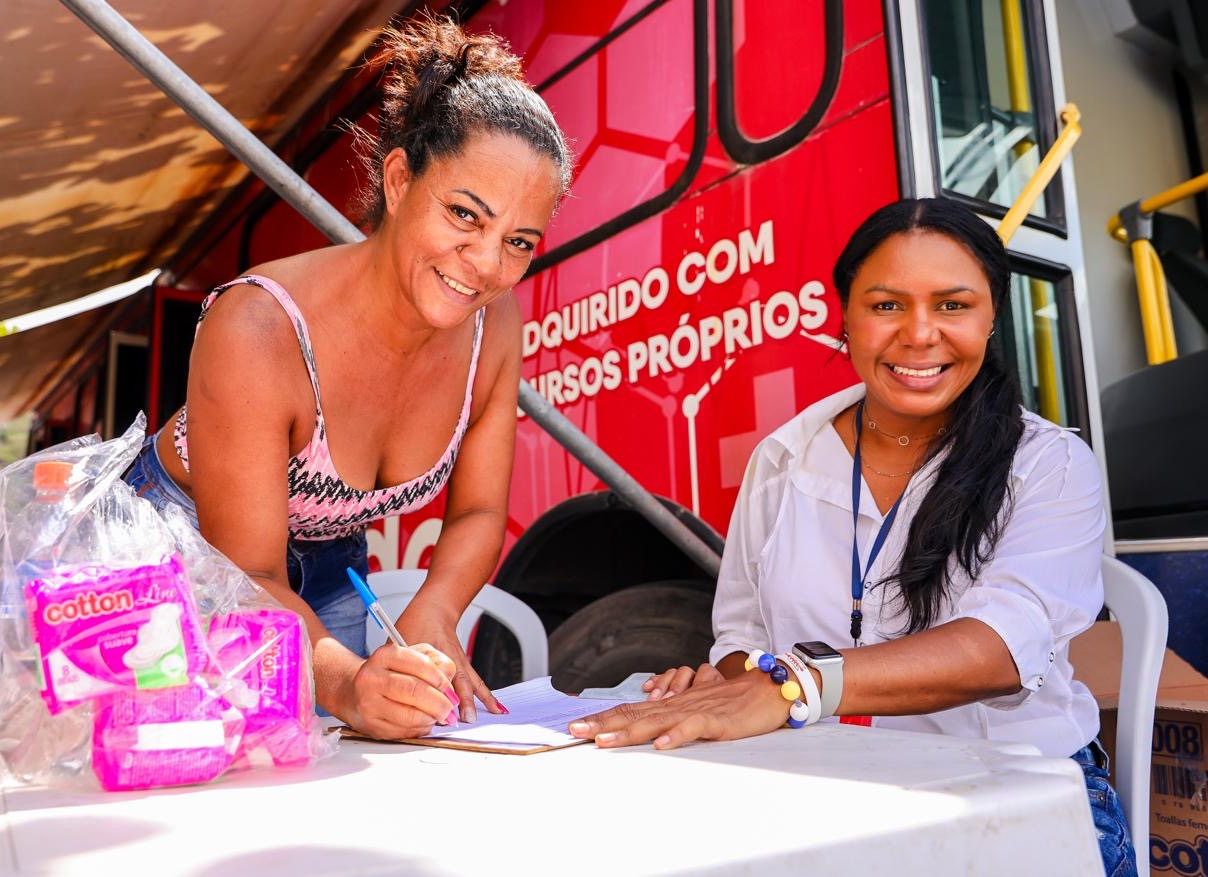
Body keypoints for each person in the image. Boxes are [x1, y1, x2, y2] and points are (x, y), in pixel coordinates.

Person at [569, 198, 1136, 876]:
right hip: (831, 784)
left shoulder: (1048, 464)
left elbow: (1001, 647)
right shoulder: (782, 459)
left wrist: (790, 686)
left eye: (953, 305)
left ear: (991, 317)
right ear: (844, 318)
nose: (920, 334)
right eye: (887, 305)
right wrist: (724, 685)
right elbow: (742, 640)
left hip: (1018, 792)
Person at [125, 15, 571, 739]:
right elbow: (249, 573)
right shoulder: (258, 329)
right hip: (175, 561)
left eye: (517, 241)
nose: (487, 265)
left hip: (330, 566)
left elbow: (481, 512)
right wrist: (348, 684)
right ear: (399, 179)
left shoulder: (495, 325)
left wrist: (435, 608)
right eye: (464, 214)